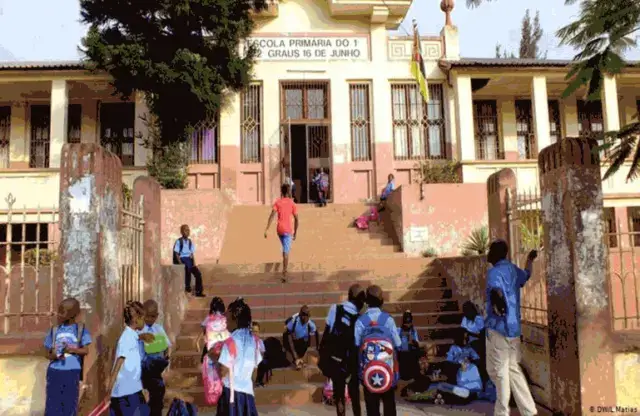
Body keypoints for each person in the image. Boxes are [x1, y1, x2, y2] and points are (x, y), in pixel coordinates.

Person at [485, 239, 538, 416]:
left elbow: (496, 291)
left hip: (499, 328)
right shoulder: (514, 270)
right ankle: (529, 411)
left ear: (495, 253)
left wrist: (499, 308)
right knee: (512, 369)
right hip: (513, 328)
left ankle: (502, 412)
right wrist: (530, 260)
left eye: (490, 251)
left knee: (499, 372)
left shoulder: (494, 272)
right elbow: (526, 275)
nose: (488, 254)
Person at [354, 285, 402, 416]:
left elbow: (356, 345)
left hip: (368, 370)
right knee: (389, 404)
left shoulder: (360, 321)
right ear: (382, 301)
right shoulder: (388, 320)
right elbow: (398, 344)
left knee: (372, 407)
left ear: (366, 302)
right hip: (388, 369)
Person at [319, 284, 365, 416]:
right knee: (354, 395)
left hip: (335, 359)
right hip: (351, 361)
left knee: (339, 396)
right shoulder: (360, 318)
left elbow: (327, 331)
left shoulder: (335, 308)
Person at [44, 298, 92, 416]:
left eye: (62, 312)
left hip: (71, 372)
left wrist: (71, 349)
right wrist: (53, 355)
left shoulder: (80, 330)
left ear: (72, 314)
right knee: (52, 404)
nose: (58, 314)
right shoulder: (55, 330)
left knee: (69, 404)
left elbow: (85, 350)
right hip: (54, 371)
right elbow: (46, 353)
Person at [216, 298, 263, 416]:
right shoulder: (254, 340)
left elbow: (223, 370)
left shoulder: (231, 341)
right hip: (247, 394)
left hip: (230, 393)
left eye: (227, 316)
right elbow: (254, 371)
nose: (225, 319)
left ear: (235, 318)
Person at [105, 301, 152, 415]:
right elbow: (118, 364)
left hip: (132, 391)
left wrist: (141, 337)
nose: (144, 322)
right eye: (143, 318)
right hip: (126, 394)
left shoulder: (131, 336)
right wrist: (109, 391)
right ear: (136, 319)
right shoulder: (126, 338)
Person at [139, 300, 171, 416]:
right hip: (143, 369)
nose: (149, 319)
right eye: (147, 316)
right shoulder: (139, 329)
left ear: (157, 316)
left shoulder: (158, 329)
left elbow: (167, 345)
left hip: (156, 369)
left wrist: (166, 356)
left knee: (158, 395)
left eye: (152, 316)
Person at [264, 183, 299, 282]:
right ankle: (284, 273)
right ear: (289, 192)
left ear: (281, 192)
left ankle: (284, 253)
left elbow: (272, 215)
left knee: (285, 246)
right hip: (287, 230)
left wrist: (266, 229)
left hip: (279, 229)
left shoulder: (278, 202)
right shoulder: (292, 203)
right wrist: (295, 232)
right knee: (286, 252)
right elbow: (297, 219)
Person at [198, 297, 230, 406]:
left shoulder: (209, 318)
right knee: (222, 371)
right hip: (223, 348)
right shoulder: (225, 319)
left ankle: (214, 392)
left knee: (212, 370)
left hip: (211, 348)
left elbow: (204, 330)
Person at [173, 224, 205, 297]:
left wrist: (194, 263)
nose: (187, 232)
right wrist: (180, 263)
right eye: (185, 230)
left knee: (198, 274)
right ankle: (187, 288)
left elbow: (191, 254)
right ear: (181, 232)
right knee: (187, 269)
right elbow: (176, 253)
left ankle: (199, 291)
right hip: (183, 259)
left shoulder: (190, 242)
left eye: (188, 230)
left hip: (189, 260)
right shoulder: (179, 241)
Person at [283, 305, 319, 370]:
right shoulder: (293, 321)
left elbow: (314, 338)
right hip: (291, 341)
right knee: (289, 343)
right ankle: (296, 360)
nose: (307, 319)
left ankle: (300, 360)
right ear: (302, 316)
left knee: (305, 344)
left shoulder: (310, 324)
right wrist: (295, 356)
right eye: (306, 317)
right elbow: (288, 337)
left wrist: (316, 349)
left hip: (302, 342)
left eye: (308, 317)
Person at [397, 310, 420, 381]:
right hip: (402, 354)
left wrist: (412, 341)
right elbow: (398, 345)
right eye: (406, 323)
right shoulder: (399, 330)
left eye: (409, 323)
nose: (407, 325)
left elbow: (417, 343)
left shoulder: (413, 331)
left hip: (411, 353)